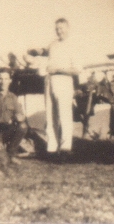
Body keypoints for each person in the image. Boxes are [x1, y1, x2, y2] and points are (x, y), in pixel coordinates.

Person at [40, 18, 81, 156]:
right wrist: (34, 51)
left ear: (68, 28)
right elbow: (44, 52)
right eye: (57, 28)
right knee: (50, 116)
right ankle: (51, 148)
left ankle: (65, 149)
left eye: (61, 28)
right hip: (49, 81)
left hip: (64, 81)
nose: (59, 31)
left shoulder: (73, 45)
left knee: (64, 115)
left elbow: (76, 70)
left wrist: (57, 70)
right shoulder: (53, 44)